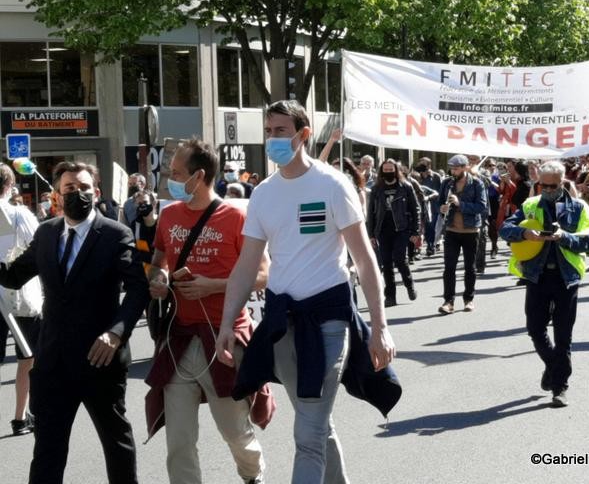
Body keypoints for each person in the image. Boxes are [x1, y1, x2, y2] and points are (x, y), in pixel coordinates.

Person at [216, 100, 398, 483]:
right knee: (314, 423)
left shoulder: (332, 185)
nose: (272, 139)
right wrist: (226, 324)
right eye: (268, 131)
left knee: (307, 433)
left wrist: (380, 327)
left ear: (303, 135)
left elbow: (365, 261)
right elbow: (246, 265)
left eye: (281, 131)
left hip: (330, 322)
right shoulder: (263, 194)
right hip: (282, 323)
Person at [0, 161, 150, 484]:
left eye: (84, 188)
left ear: (96, 193)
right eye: (69, 189)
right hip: (54, 363)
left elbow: (138, 289)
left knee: (117, 444)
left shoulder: (115, 235)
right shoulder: (46, 233)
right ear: (57, 196)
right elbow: (13, 275)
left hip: (101, 361)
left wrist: (116, 333)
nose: (77, 194)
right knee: (47, 453)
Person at [146, 139, 268, 484]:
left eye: (176, 174)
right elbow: (159, 263)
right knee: (179, 441)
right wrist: (160, 278)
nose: (170, 180)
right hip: (180, 338)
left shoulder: (238, 216)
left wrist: (211, 285)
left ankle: (253, 476)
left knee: (235, 432)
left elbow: (263, 275)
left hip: (225, 339)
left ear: (199, 176)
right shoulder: (168, 215)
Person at [499, 161, 589, 407]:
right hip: (537, 275)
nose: (548, 189)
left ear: (563, 183)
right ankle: (554, 367)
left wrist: (565, 237)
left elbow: (588, 241)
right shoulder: (531, 205)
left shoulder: (578, 208)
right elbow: (505, 228)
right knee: (534, 328)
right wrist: (524, 233)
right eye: (543, 185)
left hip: (567, 277)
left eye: (553, 185)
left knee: (563, 334)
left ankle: (559, 387)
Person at [0, 164, 43, 435]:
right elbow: (39, 248)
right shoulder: (18, 215)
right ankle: (20, 417)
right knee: (27, 358)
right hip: (18, 296)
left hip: (12, 297)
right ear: (10, 185)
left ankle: (22, 417)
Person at [366, 159, 421, 307]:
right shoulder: (377, 189)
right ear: (381, 171)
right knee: (386, 263)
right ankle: (390, 296)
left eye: (391, 170)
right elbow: (371, 213)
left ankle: (409, 284)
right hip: (383, 230)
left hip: (402, 228)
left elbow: (416, 209)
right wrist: (370, 234)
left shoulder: (406, 187)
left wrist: (416, 230)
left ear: (396, 170)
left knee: (399, 259)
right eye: (386, 170)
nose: (388, 172)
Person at [438, 154, 487, 314]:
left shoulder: (477, 183)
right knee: (449, 267)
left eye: (456, 168)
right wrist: (442, 208)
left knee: (470, 267)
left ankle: (469, 299)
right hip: (451, 230)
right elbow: (439, 203)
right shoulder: (447, 183)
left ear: (465, 167)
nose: (453, 171)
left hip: (471, 231)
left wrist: (460, 204)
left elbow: (481, 207)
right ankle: (448, 301)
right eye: (451, 168)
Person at [416, 157, 442, 256]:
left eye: (424, 164)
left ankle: (431, 246)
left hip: (433, 205)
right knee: (424, 226)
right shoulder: (418, 176)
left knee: (431, 226)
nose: (422, 166)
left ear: (429, 165)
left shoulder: (436, 176)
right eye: (420, 163)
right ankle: (420, 247)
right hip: (421, 205)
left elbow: (440, 192)